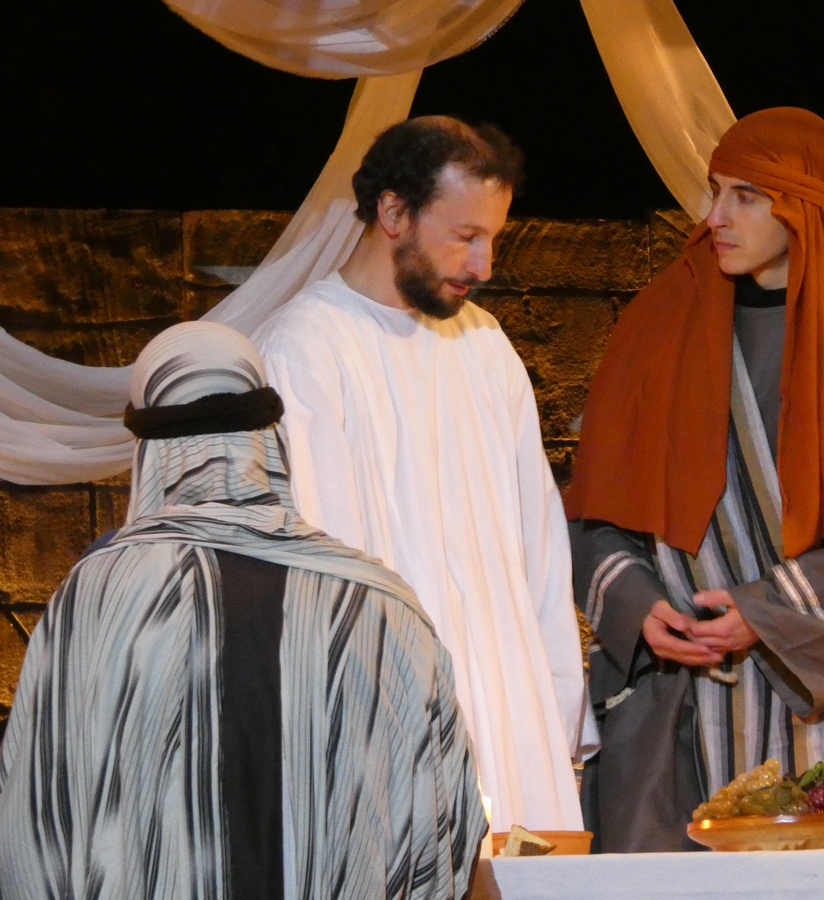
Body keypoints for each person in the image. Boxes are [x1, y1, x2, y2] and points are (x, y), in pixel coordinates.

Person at [566, 107, 824, 852]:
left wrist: (767, 610)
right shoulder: (652, 329)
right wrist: (640, 606)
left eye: (746, 196)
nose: (716, 217)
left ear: (800, 209)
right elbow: (593, 507)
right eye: (715, 192)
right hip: (676, 701)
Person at [0, 322, 486, 899]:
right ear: (270, 436)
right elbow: (446, 825)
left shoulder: (98, 599)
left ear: (148, 450)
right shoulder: (381, 604)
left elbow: (35, 824)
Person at [253, 116, 591, 832]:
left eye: (492, 239)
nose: (484, 265)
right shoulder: (302, 351)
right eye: (465, 236)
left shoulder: (485, 346)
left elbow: (538, 547)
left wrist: (555, 706)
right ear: (393, 212)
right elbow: (318, 575)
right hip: (385, 726)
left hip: (504, 710)